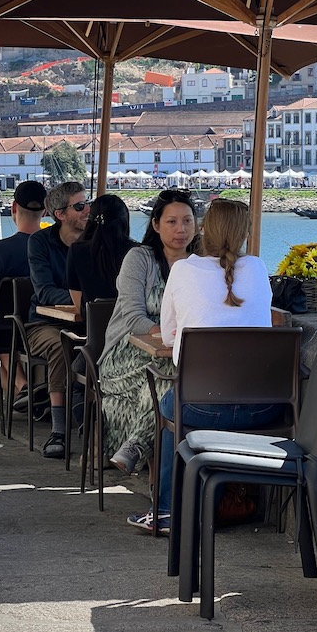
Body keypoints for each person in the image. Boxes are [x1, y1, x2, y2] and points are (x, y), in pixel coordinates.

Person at [128, 199, 278, 534]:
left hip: (202, 406)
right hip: (264, 407)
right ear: (245, 233)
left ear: (204, 229)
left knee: (168, 406)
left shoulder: (183, 269)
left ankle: (165, 511)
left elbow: (168, 334)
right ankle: (215, 501)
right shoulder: (256, 267)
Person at [99, 188, 200, 478]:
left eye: (187, 221)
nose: (181, 229)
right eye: (171, 222)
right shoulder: (140, 258)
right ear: (155, 225)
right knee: (169, 368)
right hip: (125, 351)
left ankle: (136, 446)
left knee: (163, 377)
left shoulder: (200, 263)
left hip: (174, 352)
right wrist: (168, 335)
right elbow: (133, 317)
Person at [26, 181, 90, 459]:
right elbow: (44, 291)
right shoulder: (40, 242)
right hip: (42, 324)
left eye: (88, 203)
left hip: (87, 321)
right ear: (60, 214)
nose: (87, 210)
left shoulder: (95, 240)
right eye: (79, 206)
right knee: (61, 345)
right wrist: (83, 297)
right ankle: (59, 430)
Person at [66, 193, 135, 312]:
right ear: (124, 222)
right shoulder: (138, 252)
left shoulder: (76, 251)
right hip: (132, 325)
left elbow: (79, 305)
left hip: (92, 326)